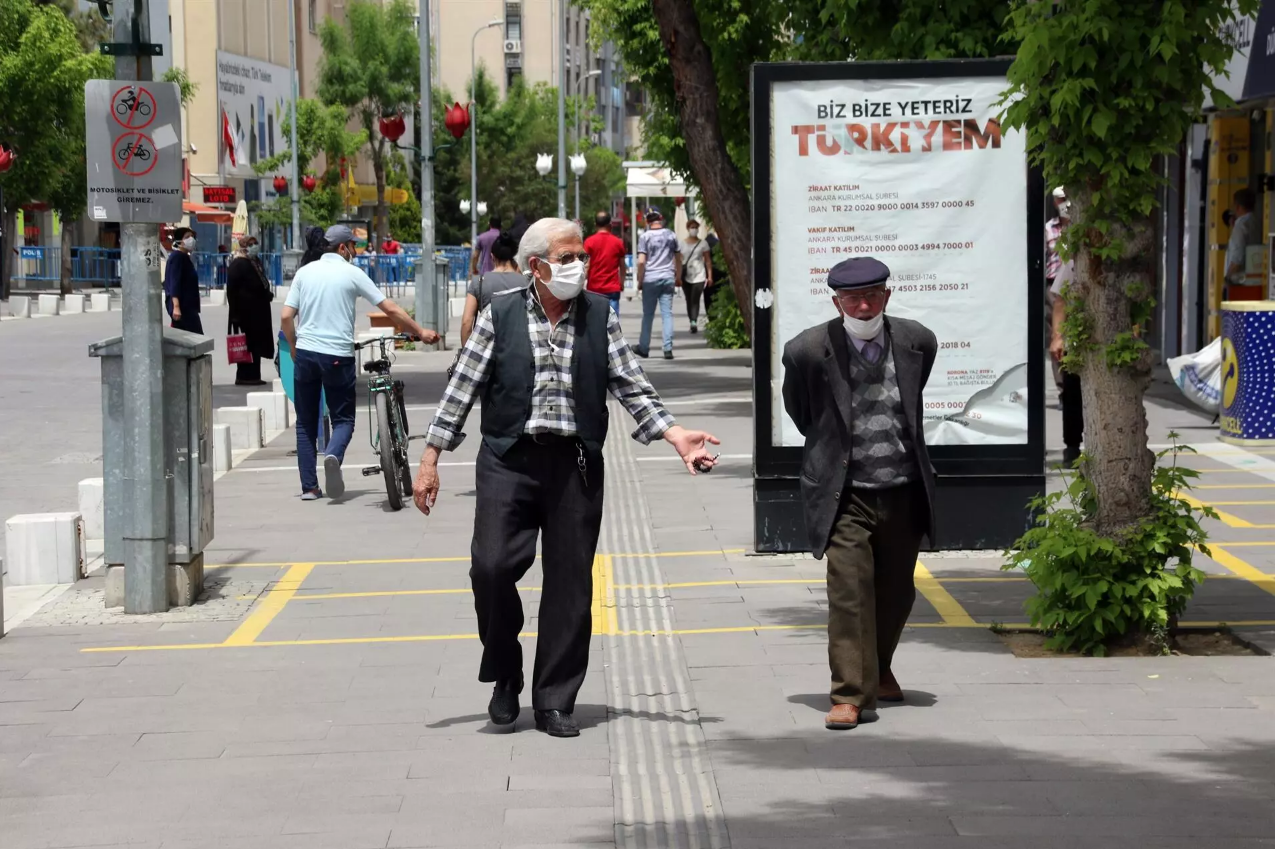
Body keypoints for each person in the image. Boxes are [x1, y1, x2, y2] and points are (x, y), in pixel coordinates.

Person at [412, 218, 720, 738]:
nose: (579, 265)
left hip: (574, 465)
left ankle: (554, 697)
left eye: (581, 256)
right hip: (508, 460)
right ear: (536, 266)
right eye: (567, 257)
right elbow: (462, 386)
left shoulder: (599, 315)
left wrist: (673, 435)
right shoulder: (499, 314)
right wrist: (430, 458)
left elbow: (629, 381)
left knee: (571, 586)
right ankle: (505, 673)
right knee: (489, 569)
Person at [781, 257, 937, 732]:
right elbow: (802, 412)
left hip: (904, 488)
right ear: (837, 301)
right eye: (853, 298)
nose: (864, 305)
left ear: (887, 296)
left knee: (896, 594)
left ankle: (879, 667)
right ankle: (849, 694)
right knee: (849, 593)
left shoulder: (916, 341)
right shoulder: (807, 350)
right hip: (845, 494)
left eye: (873, 295)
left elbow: (912, 399)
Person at [281, 224, 438, 501]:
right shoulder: (352, 273)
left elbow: (285, 317)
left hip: (305, 353)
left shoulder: (304, 273)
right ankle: (333, 454)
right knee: (343, 419)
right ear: (342, 248)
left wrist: (294, 349)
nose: (354, 252)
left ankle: (309, 488)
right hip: (337, 356)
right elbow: (389, 308)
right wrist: (419, 332)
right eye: (352, 246)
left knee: (305, 422)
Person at [460, 231, 526, 345]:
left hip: (487, 350)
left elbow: (466, 323)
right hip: (518, 349)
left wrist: (467, 353)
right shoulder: (526, 283)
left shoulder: (479, 282)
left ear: (492, 256)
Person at [226, 235, 275, 386]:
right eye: (251, 244)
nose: (255, 246)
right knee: (246, 346)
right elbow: (231, 290)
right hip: (244, 314)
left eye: (256, 243)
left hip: (257, 314)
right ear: (244, 247)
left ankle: (254, 375)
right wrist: (235, 314)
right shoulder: (239, 263)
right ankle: (245, 376)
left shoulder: (254, 263)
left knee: (256, 345)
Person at [634, 206, 681, 359]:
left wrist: (639, 280)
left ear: (647, 220)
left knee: (648, 315)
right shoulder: (671, 235)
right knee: (667, 314)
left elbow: (641, 262)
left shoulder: (645, 237)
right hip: (668, 278)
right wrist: (678, 276)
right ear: (660, 218)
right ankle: (667, 348)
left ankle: (644, 347)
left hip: (651, 279)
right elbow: (679, 258)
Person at [1050, 259, 1084, 466]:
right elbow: (1061, 300)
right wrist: (1058, 336)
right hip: (1077, 338)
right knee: (1072, 394)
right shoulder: (1073, 262)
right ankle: (1071, 448)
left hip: (1108, 341)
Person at [1045, 187, 1069, 391]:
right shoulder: (1048, 228)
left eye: (1067, 199)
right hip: (1054, 286)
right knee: (1057, 333)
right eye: (1060, 200)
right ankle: (1062, 387)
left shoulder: (1077, 227)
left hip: (1077, 284)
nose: (1064, 204)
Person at [583, 210, 626, 315]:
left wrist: (580, 282)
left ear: (595, 225)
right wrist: (621, 283)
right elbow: (622, 266)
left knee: (595, 321)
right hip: (613, 288)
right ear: (610, 225)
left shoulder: (589, 242)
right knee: (612, 323)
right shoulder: (618, 242)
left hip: (594, 288)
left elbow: (586, 265)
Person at [164, 227, 203, 334]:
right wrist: (176, 307)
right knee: (195, 340)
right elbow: (174, 283)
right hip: (183, 309)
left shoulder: (184, 257)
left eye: (192, 237)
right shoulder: (178, 257)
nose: (191, 239)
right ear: (179, 241)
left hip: (188, 308)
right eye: (187, 237)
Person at [679, 219, 712, 333]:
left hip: (699, 275)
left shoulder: (703, 244)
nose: (694, 229)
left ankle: (694, 321)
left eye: (695, 227)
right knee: (689, 299)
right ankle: (691, 319)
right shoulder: (682, 244)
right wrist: (677, 276)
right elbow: (679, 260)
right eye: (692, 227)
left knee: (695, 298)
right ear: (688, 229)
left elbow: (707, 261)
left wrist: (710, 276)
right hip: (685, 275)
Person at [1225, 187, 1262, 290]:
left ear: (1237, 206)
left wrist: (1227, 279)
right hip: (1256, 278)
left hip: (1239, 284)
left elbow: (1237, 259)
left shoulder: (1240, 227)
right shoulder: (1257, 222)